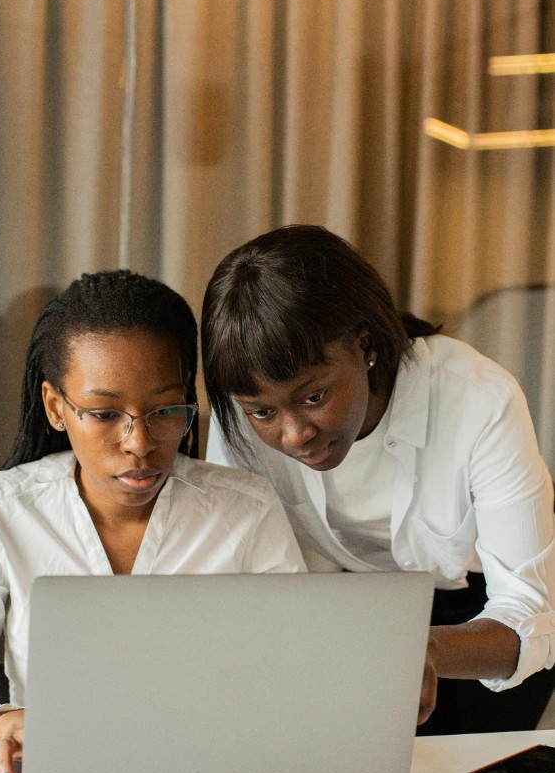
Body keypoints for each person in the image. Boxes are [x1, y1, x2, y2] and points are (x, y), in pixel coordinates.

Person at [0, 271, 305, 773]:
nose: (139, 442)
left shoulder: (246, 511)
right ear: (56, 407)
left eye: (164, 409)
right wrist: (1, 723)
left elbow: (295, 686)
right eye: (103, 414)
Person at [202, 224, 555, 735]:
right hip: (354, 612)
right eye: (262, 412)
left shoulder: (479, 400)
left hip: (484, 617)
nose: (295, 435)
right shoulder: (240, 423)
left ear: (364, 345)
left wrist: (421, 647)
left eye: (314, 396)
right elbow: (242, 583)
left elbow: (530, 614)